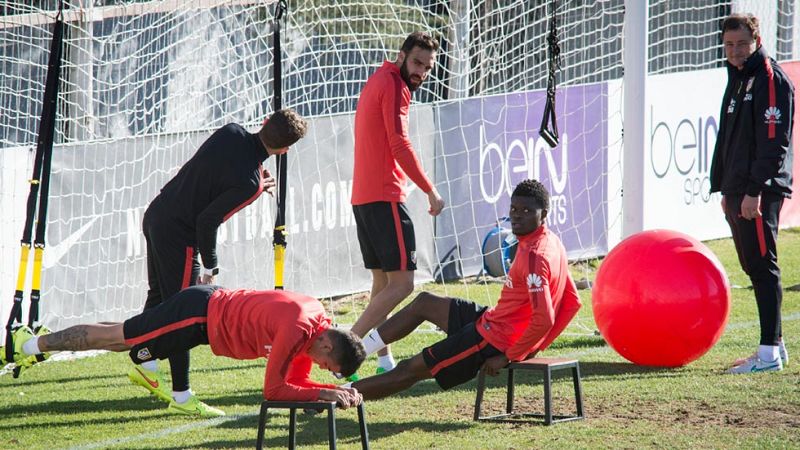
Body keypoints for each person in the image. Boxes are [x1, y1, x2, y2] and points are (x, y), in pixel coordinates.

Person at [134, 109, 307, 415]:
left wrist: (255, 177)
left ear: (265, 121)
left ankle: (144, 362)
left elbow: (219, 168)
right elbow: (207, 221)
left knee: (160, 297)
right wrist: (210, 267)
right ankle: (182, 395)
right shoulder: (251, 183)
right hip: (179, 234)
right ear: (285, 150)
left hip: (157, 214)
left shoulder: (231, 130)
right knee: (181, 314)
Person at [346, 179, 581, 399]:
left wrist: (512, 355)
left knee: (409, 369)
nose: (517, 216)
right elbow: (573, 302)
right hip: (492, 321)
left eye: (527, 211)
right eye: (514, 209)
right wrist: (535, 346)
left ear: (544, 214)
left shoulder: (535, 256)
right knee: (425, 302)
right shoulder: (552, 242)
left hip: (494, 342)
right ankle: (351, 356)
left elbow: (545, 318)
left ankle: (338, 394)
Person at [8, 285, 366, 414]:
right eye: (327, 365)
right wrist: (326, 392)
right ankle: (27, 343)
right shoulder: (298, 328)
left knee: (122, 337)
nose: (321, 369)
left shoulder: (316, 331)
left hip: (202, 318)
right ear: (327, 343)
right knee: (119, 337)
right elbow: (273, 391)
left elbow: (296, 384)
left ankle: (36, 343)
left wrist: (333, 391)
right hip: (196, 316)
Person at [350, 31, 445, 376]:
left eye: (428, 67)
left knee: (383, 285)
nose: (422, 72)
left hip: (364, 198)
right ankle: (346, 348)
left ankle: (384, 361)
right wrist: (430, 190)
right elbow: (400, 144)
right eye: (417, 63)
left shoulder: (379, 77)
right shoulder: (393, 84)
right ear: (401, 56)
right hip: (384, 196)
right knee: (403, 284)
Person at [709, 13, 794, 374]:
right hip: (738, 190)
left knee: (762, 265)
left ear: (757, 41)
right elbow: (730, 141)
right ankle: (776, 345)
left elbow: (774, 145)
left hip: (758, 192)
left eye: (742, 44)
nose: (735, 51)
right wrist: (725, 189)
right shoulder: (738, 77)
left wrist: (754, 192)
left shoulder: (770, 79)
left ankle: (768, 355)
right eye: (729, 45)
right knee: (752, 265)